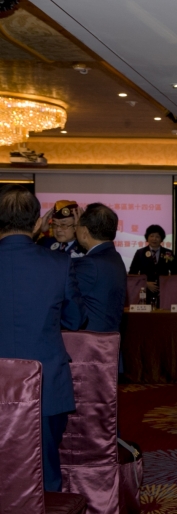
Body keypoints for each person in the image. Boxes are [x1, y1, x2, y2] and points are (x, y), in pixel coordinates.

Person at [0, 184, 85, 492]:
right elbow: (76, 319)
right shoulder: (59, 264)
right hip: (45, 384)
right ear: (38, 223)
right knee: (44, 474)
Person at [73, 203, 127, 332]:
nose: (75, 230)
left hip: (90, 341)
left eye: (76, 226)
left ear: (85, 232)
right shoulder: (114, 257)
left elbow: (65, 298)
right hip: (107, 338)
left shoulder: (90, 264)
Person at [128, 224, 174, 304]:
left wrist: (166, 285)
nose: (154, 239)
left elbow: (175, 272)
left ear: (161, 239)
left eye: (157, 236)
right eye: (151, 236)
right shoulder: (140, 253)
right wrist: (145, 283)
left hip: (164, 291)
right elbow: (133, 274)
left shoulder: (168, 253)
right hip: (144, 292)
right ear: (147, 238)